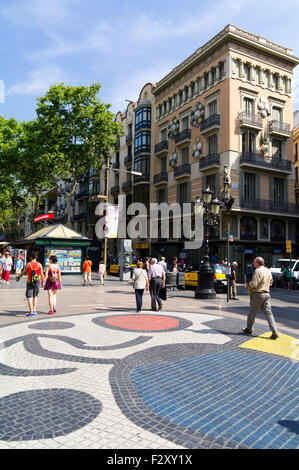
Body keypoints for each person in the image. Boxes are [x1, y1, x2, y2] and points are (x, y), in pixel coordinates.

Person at [243, 257, 279, 340]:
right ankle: (274, 331)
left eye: (254, 262)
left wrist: (248, 286)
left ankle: (249, 329)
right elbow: (271, 283)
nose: (253, 263)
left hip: (258, 294)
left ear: (257, 263)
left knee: (252, 312)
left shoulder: (257, 271)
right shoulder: (268, 270)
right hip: (266, 294)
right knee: (269, 314)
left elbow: (254, 284)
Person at [16, 251, 44, 317]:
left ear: (30, 257)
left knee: (29, 297)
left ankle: (31, 313)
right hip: (37, 281)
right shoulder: (39, 264)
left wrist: (18, 278)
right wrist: (43, 282)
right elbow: (42, 275)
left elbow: (23, 272)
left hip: (30, 282)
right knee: (35, 296)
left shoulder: (28, 264)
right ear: (36, 257)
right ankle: (34, 310)